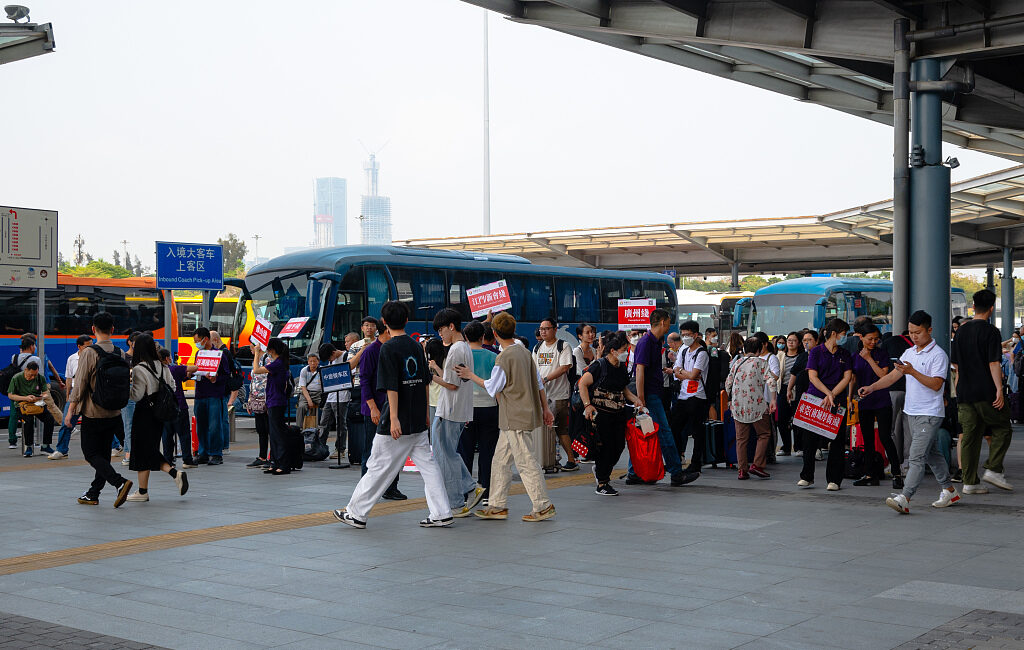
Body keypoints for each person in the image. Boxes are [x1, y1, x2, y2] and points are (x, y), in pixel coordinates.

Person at [334, 301, 452, 529]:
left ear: (384, 323)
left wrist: (395, 418)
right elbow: (424, 382)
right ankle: (442, 512)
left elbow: (392, 387)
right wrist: (425, 412)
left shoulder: (388, 349)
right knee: (428, 465)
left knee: (377, 464)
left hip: (395, 419)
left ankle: (356, 513)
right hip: (417, 417)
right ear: (407, 321)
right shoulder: (417, 346)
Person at [457, 312, 557, 522]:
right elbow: (538, 382)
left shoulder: (504, 358)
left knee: (525, 461)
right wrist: (546, 408)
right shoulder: (523, 351)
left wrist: (470, 375)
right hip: (518, 415)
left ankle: (543, 505)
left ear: (493, 333)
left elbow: (492, 387)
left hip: (514, 416)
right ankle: (497, 505)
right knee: (500, 461)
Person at [860, 311, 959, 513]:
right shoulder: (910, 352)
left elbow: (936, 385)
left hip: (930, 413)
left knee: (915, 456)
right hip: (911, 411)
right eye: (912, 332)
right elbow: (893, 376)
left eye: (918, 332)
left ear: (929, 330)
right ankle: (949, 490)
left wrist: (913, 371)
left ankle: (904, 498)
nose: (914, 336)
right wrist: (871, 388)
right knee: (932, 454)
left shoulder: (938, 355)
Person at [65, 312, 134, 508]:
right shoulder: (120, 353)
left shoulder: (89, 352)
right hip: (114, 412)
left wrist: (71, 410)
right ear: (113, 329)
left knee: (90, 453)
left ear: (93, 329)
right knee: (102, 456)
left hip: (93, 413)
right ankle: (93, 493)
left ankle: (119, 482)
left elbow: (80, 384)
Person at [951, 289, 1014, 494]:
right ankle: (994, 468)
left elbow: (957, 367)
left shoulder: (961, 331)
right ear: (992, 308)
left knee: (970, 436)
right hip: (985, 390)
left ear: (973, 306)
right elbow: (994, 363)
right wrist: (998, 389)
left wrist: (958, 391)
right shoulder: (991, 331)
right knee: (1003, 427)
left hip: (964, 392)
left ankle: (969, 482)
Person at [628, 309, 695, 487]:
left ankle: (634, 472)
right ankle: (676, 472)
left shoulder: (656, 342)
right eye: (669, 321)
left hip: (652, 393)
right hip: (649, 396)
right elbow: (639, 370)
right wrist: (641, 398)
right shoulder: (646, 342)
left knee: (645, 432)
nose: (669, 325)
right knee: (664, 432)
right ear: (663, 322)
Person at [429, 308, 485, 518]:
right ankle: (469, 488)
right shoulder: (464, 348)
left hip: (449, 409)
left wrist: (431, 378)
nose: (439, 334)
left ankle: (459, 498)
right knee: (447, 453)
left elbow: (451, 385)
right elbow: (456, 379)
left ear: (451, 327)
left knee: (445, 455)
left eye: (441, 329)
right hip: (458, 409)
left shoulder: (455, 350)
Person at [124, 335, 189, 503]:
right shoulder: (163, 366)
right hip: (159, 414)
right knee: (149, 448)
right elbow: (173, 387)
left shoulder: (139, 369)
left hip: (144, 412)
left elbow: (137, 395)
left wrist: (127, 389)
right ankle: (146, 489)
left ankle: (147, 489)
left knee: (141, 450)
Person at [578, 331, 642, 496]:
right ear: (613, 351)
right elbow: (582, 384)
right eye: (623, 349)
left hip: (618, 413)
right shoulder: (599, 365)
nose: (626, 352)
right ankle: (602, 483)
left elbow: (624, 389)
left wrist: (636, 400)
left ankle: (601, 470)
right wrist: (587, 405)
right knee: (604, 448)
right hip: (601, 415)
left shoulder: (621, 367)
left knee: (618, 446)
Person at [796, 318, 853, 491]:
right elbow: (812, 376)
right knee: (809, 441)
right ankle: (807, 476)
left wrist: (833, 394)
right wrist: (828, 393)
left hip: (837, 401)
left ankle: (834, 479)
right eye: (843, 334)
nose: (845, 337)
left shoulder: (844, 354)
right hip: (815, 400)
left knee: (836, 440)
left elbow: (847, 377)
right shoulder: (816, 352)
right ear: (834, 334)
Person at [358, 322, 405, 499]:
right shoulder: (371, 351)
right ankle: (366, 490)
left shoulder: (393, 349)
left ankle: (391, 487)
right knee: (371, 451)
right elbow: (364, 381)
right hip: (375, 409)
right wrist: (372, 408)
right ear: (387, 330)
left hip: (391, 408)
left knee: (394, 450)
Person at [851, 325, 903, 488]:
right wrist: (850, 399)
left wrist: (868, 358)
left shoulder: (882, 353)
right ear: (861, 338)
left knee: (885, 436)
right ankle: (869, 474)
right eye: (870, 339)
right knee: (867, 440)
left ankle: (896, 474)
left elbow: (883, 375)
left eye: (876, 339)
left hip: (882, 400)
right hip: (864, 401)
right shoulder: (854, 356)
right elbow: (852, 379)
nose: (873, 342)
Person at [459, 321, 500, 504]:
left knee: (465, 451)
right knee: (487, 451)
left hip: (466, 409)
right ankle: (486, 492)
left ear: (465, 337)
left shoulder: (460, 356)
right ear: (483, 336)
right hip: (490, 408)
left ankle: (466, 491)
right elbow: (498, 386)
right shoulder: (493, 356)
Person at [725, 337, 777, 479]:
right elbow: (771, 381)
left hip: (738, 406)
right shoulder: (761, 362)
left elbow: (728, 383)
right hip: (757, 405)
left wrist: (731, 399)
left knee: (741, 439)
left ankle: (742, 470)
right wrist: (773, 399)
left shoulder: (737, 363)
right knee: (764, 434)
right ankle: (757, 464)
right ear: (759, 349)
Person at [533, 317, 578, 471]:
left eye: (546, 328)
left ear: (555, 329)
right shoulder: (537, 348)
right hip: (542, 395)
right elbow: (534, 369)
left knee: (556, 428)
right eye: (541, 329)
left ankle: (554, 461)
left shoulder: (563, 346)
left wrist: (544, 379)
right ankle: (559, 460)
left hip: (558, 395)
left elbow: (565, 367)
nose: (543, 331)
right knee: (553, 429)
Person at [670, 320, 709, 472]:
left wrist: (684, 373)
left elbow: (693, 374)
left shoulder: (702, 353)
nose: (685, 337)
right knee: (675, 427)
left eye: (688, 335)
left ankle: (696, 463)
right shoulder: (684, 350)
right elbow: (677, 370)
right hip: (683, 395)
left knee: (697, 431)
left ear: (696, 335)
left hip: (698, 396)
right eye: (683, 335)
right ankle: (677, 458)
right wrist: (687, 374)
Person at [251, 338, 293, 475]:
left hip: (276, 401)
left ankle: (283, 464)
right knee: (274, 434)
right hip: (273, 401)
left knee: (278, 434)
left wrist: (257, 353)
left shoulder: (278, 364)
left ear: (272, 350)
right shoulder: (278, 363)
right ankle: (275, 462)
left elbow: (256, 370)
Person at [50, 334, 93, 460]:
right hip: (75, 391)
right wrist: (68, 395)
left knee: (97, 420)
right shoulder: (72, 359)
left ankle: (115, 445)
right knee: (66, 422)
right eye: (87, 346)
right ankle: (61, 450)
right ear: (79, 346)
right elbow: (69, 378)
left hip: (90, 392)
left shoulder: (95, 356)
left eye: (92, 345)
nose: (90, 348)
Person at [188, 327, 227, 466]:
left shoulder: (219, 354)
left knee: (215, 425)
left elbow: (226, 375)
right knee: (201, 425)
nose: (196, 343)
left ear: (205, 339)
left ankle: (216, 454)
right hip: (200, 394)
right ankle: (203, 453)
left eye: (197, 340)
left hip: (214, 395)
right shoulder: (199, 353)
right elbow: (197, 370)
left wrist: (216, 378)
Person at [7, 361, 59, 457]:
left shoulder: (40, 378)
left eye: (34, 375)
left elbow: (45, 393)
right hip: (22, 405)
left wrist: (39, 397)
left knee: (49, 419)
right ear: (26, 370)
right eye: (31, 375)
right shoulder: (17, 378)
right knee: (29, 420)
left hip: (36, 403)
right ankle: (29, 446)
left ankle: (45, 445)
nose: (32, 377)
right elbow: (11, 395)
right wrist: (26, 398)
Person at [882, 329, 914, 474]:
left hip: (892, 389)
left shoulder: (888, 343)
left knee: (890, 428)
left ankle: (893, 463)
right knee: (909, 428)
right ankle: (907, 464)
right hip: (910, 390)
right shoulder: (916, 347)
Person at [158, 348, 196, 469]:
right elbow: (194, 368)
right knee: (184, 434)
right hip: (178, 405)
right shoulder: (174, 368)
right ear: (167, 358)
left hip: (163, 408)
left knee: (166, 435)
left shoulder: (155, 371)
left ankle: (168, 460)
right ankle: (187, 460)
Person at [788, 329, 820, 458]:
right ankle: (800, 447)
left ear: (816, 341)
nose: (806, 343)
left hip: (816, 394)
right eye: (804, 340)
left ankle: (816, 449)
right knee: (800, 421)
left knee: (815, 423)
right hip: (801, 394)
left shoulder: (821, 355)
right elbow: (794, 373)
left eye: (809, 340)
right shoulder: (802, 356)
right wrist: (789, 389)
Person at [317, 341, 352, 461]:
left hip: (342, 396)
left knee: (340, 424)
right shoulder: (330, 360)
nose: (329, 360)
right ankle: (320, 447)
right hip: (330, 396)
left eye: (329, 357)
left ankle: (340, 449)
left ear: (333, 352)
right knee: (324, 422)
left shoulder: (346, 357)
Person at [7, 335, 42, 450]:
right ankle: (33, 442)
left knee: (13, 415)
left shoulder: (14, 357)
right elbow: (39, 376)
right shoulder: (35, 359)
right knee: (30, 416)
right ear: (31, 346)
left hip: (17, 391)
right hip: (30, 392)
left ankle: (12, 441)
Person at [245, 342, 270, 468]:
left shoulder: (268, 359)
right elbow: (253, 381)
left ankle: (273, 457)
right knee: (261, 429)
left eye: (252, 348)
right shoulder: (255, 361)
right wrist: (250, 400)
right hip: (256, 400)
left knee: (270, 428)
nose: (251, 351)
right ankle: (262, 456)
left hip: (267, 400)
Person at [775, 331, 801, 456]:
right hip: (782, 389)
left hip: (798, 390)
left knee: (797, 419)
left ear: (799, 343)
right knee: (781, 419)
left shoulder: (801, 357)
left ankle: (798, 447)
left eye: (794, 340)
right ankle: (786, 446)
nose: (790, 343)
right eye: (789, 340)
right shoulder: (780, 355)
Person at [295, 353, 323, 428]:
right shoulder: (304, 370)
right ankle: (298, 428)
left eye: (314, 361)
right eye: (311, 361)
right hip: (306, 393)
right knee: (301, 407)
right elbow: (303, 387)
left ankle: (320, 427)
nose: (313, 363)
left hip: (319, 394)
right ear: (308, 362)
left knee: (325, 407)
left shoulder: (322, 370)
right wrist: (309, 400)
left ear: (318, 361)